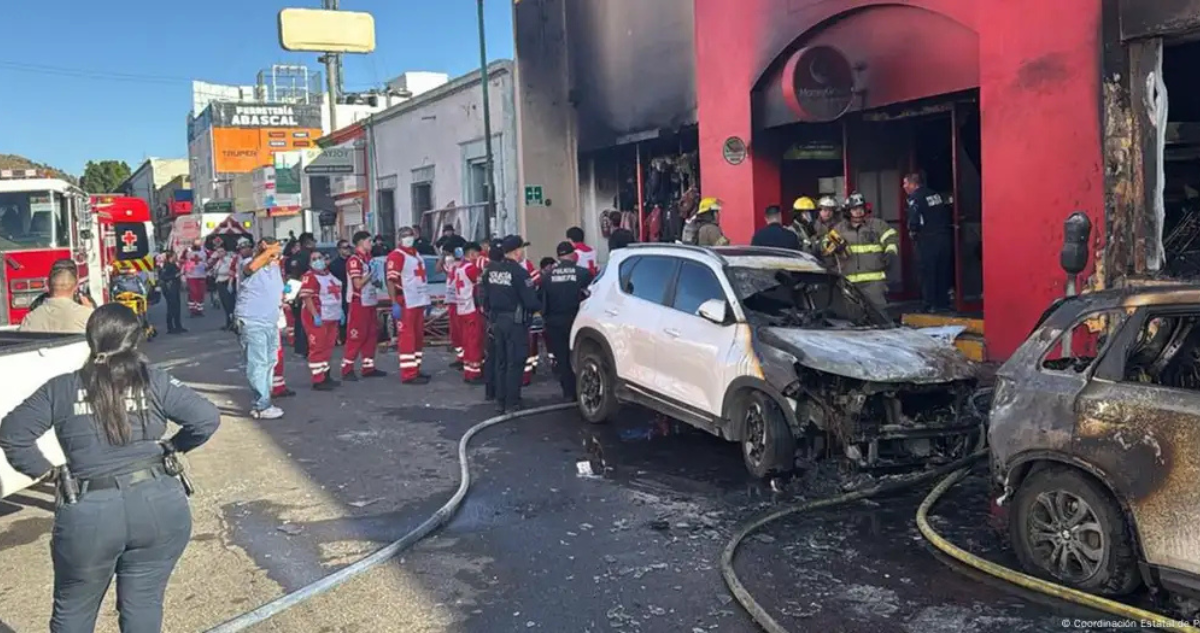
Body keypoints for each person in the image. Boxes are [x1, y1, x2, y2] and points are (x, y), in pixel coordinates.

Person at [0, 303, 220, 633]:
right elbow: (206, 418)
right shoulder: (154, 382)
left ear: (91, 339)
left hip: (91, 511)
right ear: (136, 340)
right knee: (144, 602)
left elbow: (13, 433)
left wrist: (46, 471)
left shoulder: (62, 387)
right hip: (158, 503)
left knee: (74, 610)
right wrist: (173, 447)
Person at [482, 235, 542, 414]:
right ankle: (512, 402)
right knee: (515, 362)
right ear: (516, 251)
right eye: (521, 249)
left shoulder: (491, 270)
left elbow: (484, 297)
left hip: (496, 321)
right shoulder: (519, 272)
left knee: (501, 361)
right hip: (515, 322)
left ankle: (500, 399)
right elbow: (531, 301)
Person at [235, 237, 287, 419]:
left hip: (270, 321)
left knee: (269, 362)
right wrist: (267, 252)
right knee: (257, 364)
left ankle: (264, 401)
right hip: (253, 321)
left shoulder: (275, 268)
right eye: (275, 252)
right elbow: (251, 268)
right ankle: (261, 405)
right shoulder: (249, 263)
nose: (277, 256)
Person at [825, 192, 898, 308]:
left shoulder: (877, 225)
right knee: (853, 315)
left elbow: (891, 238)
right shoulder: (839, 229)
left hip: (874, 282)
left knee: (879, 313)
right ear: (848, 211)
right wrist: (835, 247)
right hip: (849, 281)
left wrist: (890, 252)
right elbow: (825, 246)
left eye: (861, 208)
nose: (858, 211)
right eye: (854, 209)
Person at [542, 242, 593, 400]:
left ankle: (568, 392)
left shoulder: (547, 276)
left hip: (555, 322)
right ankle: (584, 390)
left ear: (558, 256)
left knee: (562, 358)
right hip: (576, 320)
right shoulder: (583, 274)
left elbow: (543, 303)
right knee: (581, 355)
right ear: (573, 255)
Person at [386, 226, 431, 384]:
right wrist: (394, 303)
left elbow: (420, 278)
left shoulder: (416, 254)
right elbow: (391, 281)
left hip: (418, 300)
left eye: (410, 235)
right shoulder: (397, 256)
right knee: (407, 338)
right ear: (399, 239)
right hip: (405, 301)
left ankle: (416, 368)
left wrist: (426, 299)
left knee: (418, 337)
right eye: (405, 235)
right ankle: (408, 373)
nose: (408, 238)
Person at [904, 172, 954, 313]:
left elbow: (915, 219)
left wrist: (913, 232)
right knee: (942, 270)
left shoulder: (915, 198)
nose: (904, 186)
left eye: (906, 183)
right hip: (943, 237)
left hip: (927, 239)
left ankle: (929, 305)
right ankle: (942, 302)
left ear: (914, 184)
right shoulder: (935, 195)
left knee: (927, 272)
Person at [341, 231, 387, 380]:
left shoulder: (368, 259)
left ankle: (368, 366)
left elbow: (371, 281)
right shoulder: (355, 261)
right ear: (360, 242)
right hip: (358, 303)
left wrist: (377, 280)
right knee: (356, 336)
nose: (371, 244)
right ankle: (347, 368)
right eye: (368, 241)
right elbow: (358, 284)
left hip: (370, 301)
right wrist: (371, 274)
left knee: (371, 335)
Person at [298, 250, 343, 391]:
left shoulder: (328, 275)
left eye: (320, 258)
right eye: (314, 259)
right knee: (317, 347)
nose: (318, 260)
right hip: (317, 316)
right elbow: (307, 298)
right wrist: (315, 315)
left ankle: (326, 375)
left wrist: (339, 311)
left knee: (327, 347)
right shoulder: (309, 277)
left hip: (331, 316)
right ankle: (318, 379)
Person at [20, 261, 94, 334]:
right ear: (77, 284)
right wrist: (93, 314)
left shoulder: (30, 319)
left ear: (48, 283)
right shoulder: (87, 317)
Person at [454, 242, 486, 384]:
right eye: (477, 255)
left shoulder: (459, 268)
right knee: (474, 341)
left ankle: (468, 370)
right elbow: (481, 284)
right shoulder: (471, 268)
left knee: (467, 341)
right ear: (472, 254)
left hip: (462, 308)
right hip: (471, 308)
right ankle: (474, 373)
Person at [480, 239, 505, 401]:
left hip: (490, 317)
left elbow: (482, 296)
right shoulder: (502, 272)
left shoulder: (486, 271)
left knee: (491, 356)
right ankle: (498, 391)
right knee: (501, 357)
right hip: (499, 318)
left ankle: (490, 390)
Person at [519, 247, 544, 386]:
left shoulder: (525, 264)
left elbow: (537, 279)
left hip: (523, 311)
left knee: (529, 342)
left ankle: (526, 374)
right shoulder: (522, 266)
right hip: (522, 311)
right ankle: (525, 374)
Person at [441, 246, 464, 369]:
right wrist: (442, 256)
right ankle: (460, 356)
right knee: (455, 333)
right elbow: (439, 268)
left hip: (460, 302)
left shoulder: (464, 266)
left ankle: (466, 358)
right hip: (451, 301)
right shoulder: (451, 265)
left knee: (463, 331)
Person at [330, 239, 352, 343]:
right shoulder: (334, 265)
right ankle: (341, 337)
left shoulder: (353, 261)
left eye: (349, 247)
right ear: (339, 250)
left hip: (352, 293)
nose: (347, 250)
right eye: (345, 247)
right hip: (340, 295)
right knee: (342, 317)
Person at [159, 251, 185, 334]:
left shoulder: (174, 265)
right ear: (171, 257)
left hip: (175, 288)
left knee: (177, 307)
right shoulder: (166, 265)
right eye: (175, 256)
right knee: (171, 308)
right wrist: (176, 275)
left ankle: (178, 326)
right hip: (169, 289)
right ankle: (170, 328)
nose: (176, 257)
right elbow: (163, 277)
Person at [212, 244, 238, 330]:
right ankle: (228, 322)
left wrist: (230, 283)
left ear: (225, 252)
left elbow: (231, 271)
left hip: (226, 282)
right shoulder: (218, 262)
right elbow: (216, 270)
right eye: (218, 252)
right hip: (219, 282)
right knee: (224, 304)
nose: (219, 253)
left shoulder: (228, 260)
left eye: (221, 251)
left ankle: (232, 323)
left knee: (229, 304)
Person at [183, 239, 207, 316]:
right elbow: (181, 260)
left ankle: (199, 310)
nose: (198, 245)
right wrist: (187, 265)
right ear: (193, 243)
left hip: (201, 275)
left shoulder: (204, 251)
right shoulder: (187, 250)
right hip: (191, 276)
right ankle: (193, 310)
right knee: (193, 292)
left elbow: (209, 260)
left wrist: (207, 266)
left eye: (199, 243)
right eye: (196, 243)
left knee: (200, 293)